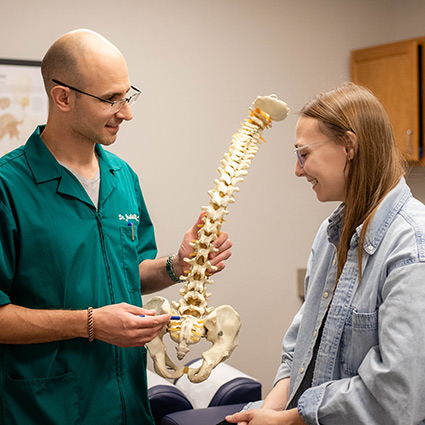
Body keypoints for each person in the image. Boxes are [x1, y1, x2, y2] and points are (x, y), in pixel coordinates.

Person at [0, 29, 232, 425]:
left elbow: (128, 272)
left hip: (127, 405)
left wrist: (177, 265)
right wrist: (89, 324)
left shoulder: (122, 177)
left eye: (128, 95)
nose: (126, 112)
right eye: (111, 99)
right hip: (46, 408)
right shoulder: (8, 186)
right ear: (63, 97)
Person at [227, 82, 425, 425]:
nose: (298, 170)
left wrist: (290, 420)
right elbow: (300, 352)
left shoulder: (412, 246)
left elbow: (396, 395)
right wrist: (269, 411)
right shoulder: (330, 234)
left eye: (304, 154)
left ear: (348, 145)